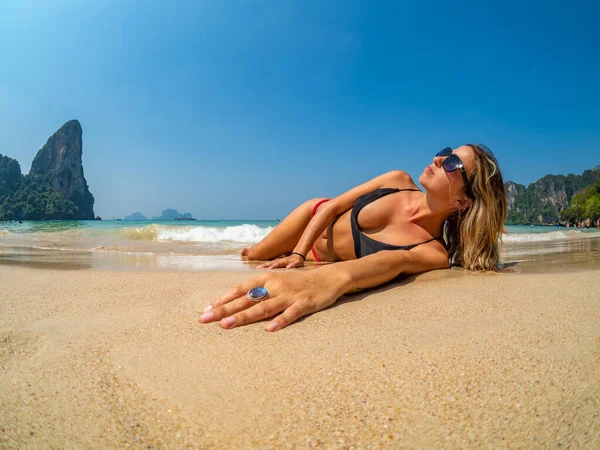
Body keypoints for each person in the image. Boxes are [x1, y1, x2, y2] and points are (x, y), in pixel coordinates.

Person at [200, 144, 507, 332]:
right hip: (310, 218)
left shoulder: (432, 252)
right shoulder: (397, 180)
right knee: (252, 257)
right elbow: (333, 205)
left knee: (260, 267)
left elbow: (389, 262)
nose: (439, 159)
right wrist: (297, 254)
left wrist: (324, 280)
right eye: (445, 153)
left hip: (319, 258)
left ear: (463, 201)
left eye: (453, 164)